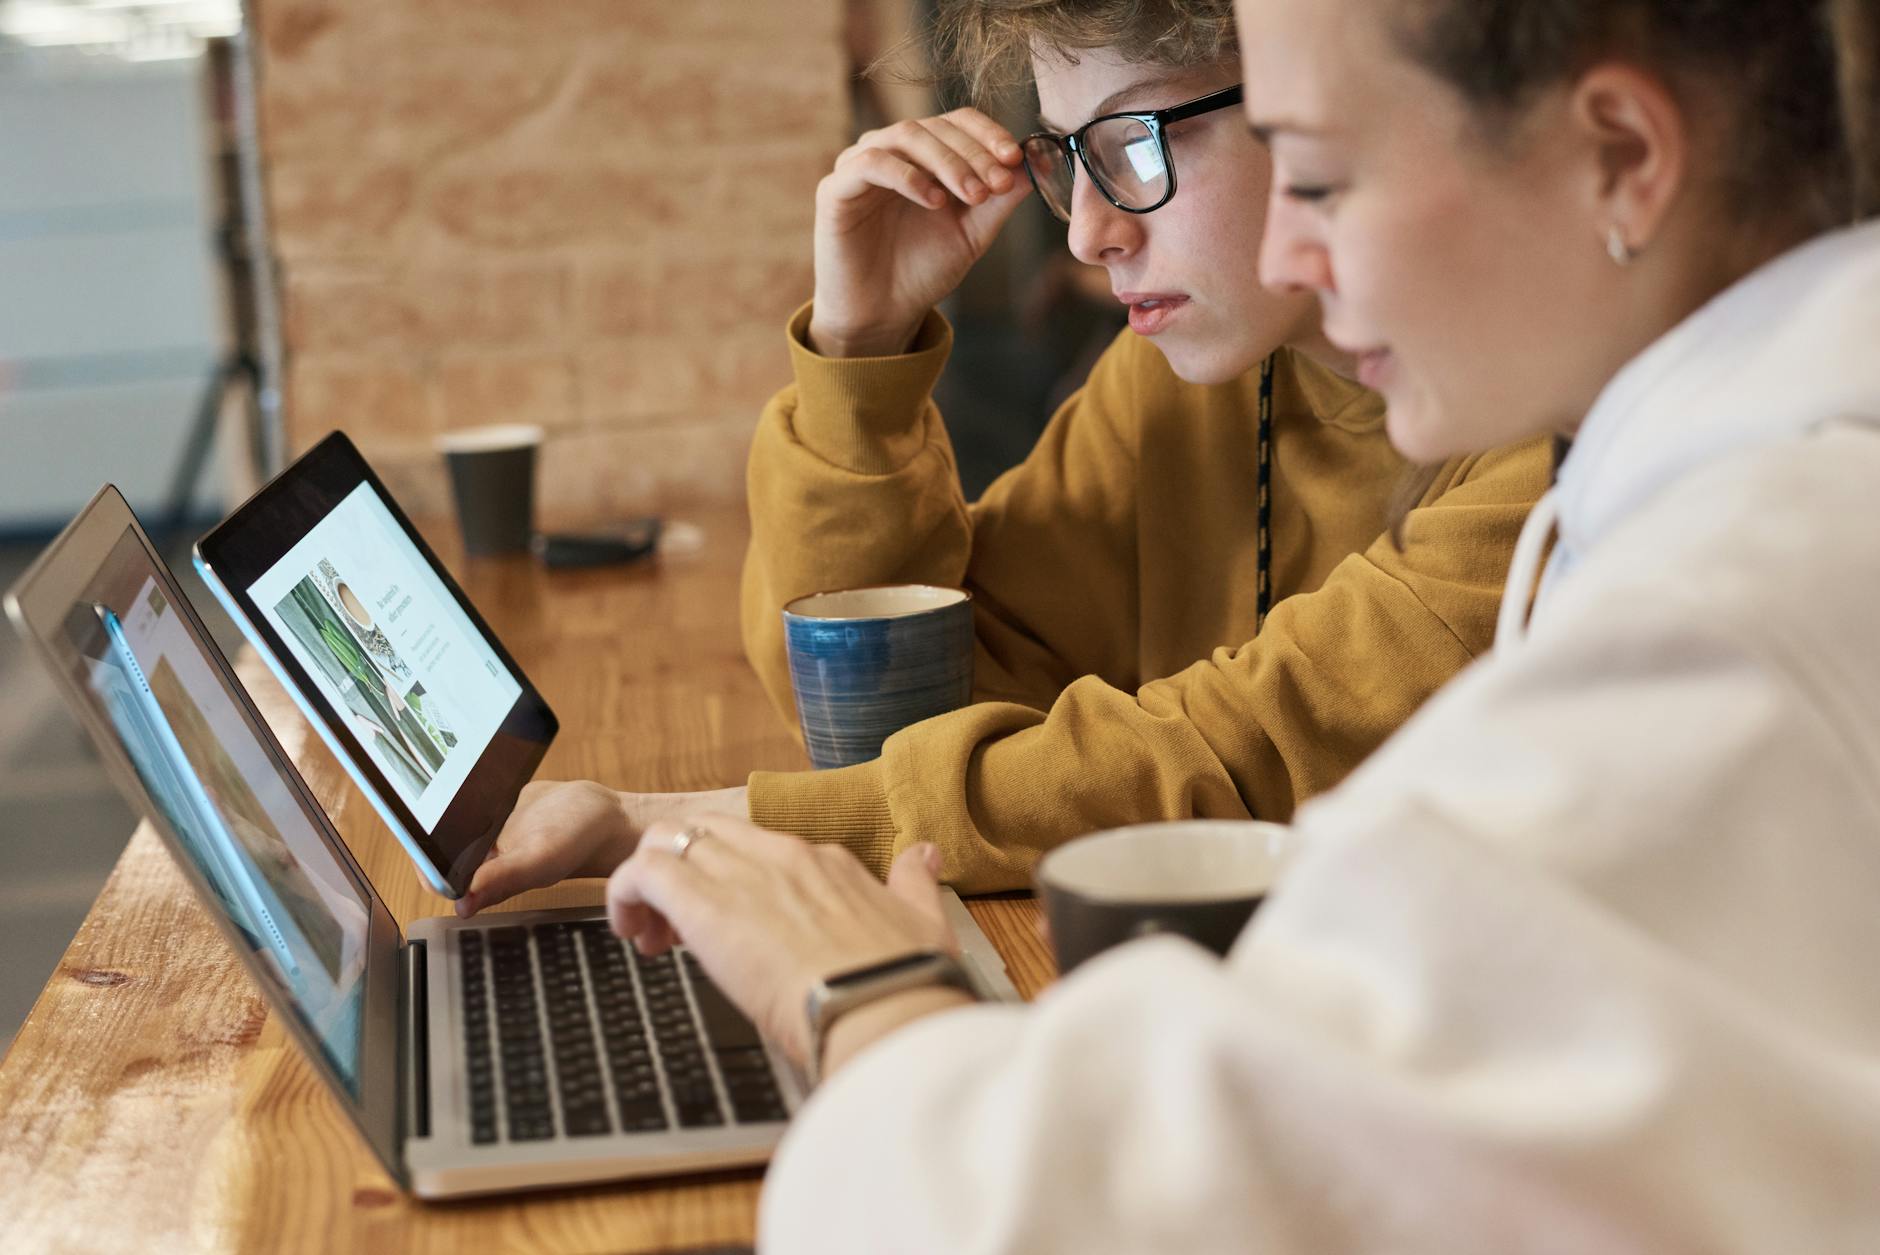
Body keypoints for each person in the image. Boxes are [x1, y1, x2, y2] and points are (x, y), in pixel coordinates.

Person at [589, 0, 1880, 1248]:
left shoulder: (1734, 602)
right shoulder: (1701, 491)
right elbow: (897, 710)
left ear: (1623, 157)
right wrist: (860, 358)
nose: (1289, 255)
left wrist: (856, 981)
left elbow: (1041, 1219)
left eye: (1321, 173)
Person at [457, 0, 1551, 911]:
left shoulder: (1556, 443)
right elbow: (886, 714)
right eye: (1070, 156)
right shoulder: (1189, 382)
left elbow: (1225, 759)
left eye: (1135, 143)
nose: (1087, 233)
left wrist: (676, 825)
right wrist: (859, 353)